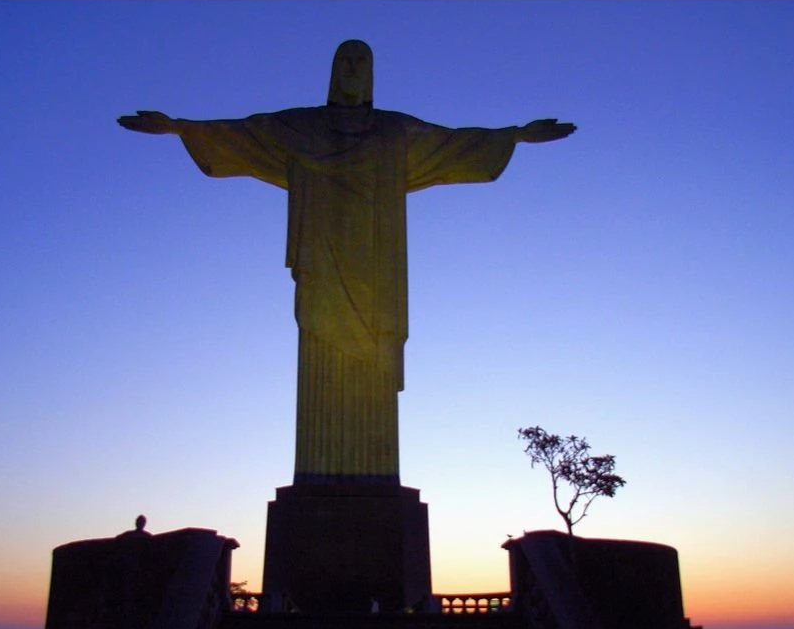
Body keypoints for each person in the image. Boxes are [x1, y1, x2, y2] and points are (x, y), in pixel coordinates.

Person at [118, 40, 575, 488]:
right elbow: (243, 133)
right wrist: (180, 127)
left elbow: (452, 143)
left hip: (376, 267)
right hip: (322, 256)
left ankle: (373, 469)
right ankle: (319, 469)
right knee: (320, 339)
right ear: (334, 70)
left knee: (372, 355)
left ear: (372, 73)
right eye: (346, 61)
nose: (353, 69)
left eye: (362, 62)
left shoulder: (394, 133)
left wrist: (514, 135)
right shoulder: (302, 129)